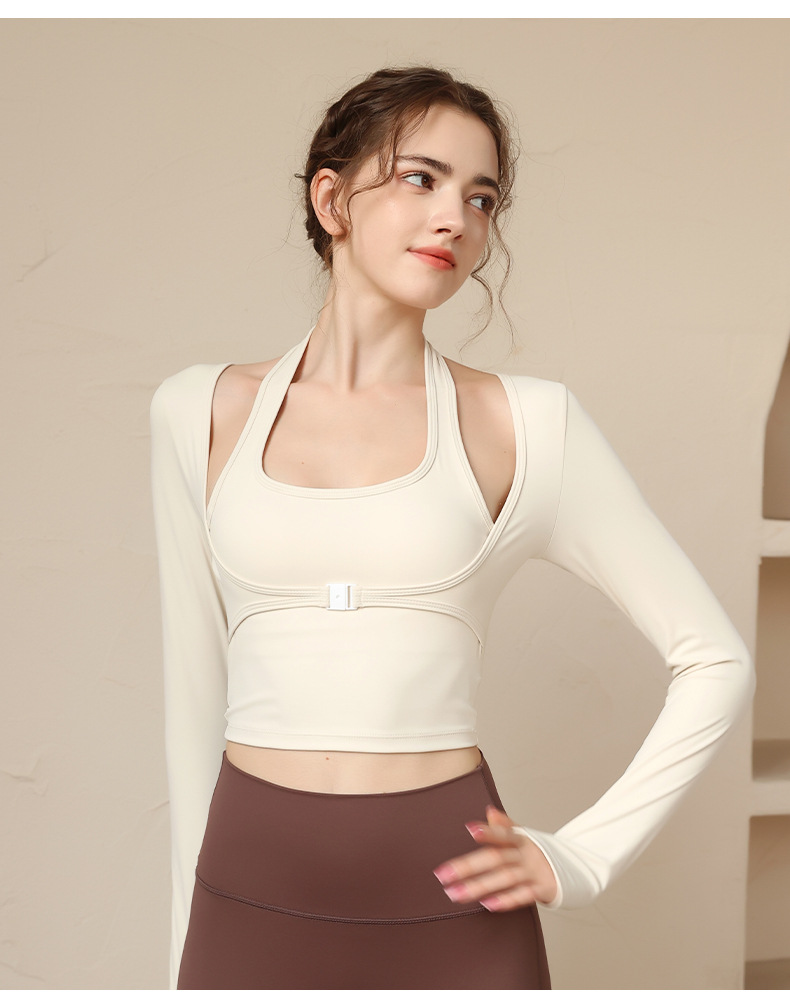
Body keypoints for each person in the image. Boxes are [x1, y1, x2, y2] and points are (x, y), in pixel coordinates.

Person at [150, 66, 754, 990]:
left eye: (481, 198)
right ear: (332, 200)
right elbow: (193, 700)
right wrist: (180, 959)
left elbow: (715, 658)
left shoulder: (528, 424)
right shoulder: (197, 411)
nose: (455, 220)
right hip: (247, 888)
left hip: (451, 893)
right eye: (420, 179)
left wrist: (585, 856)